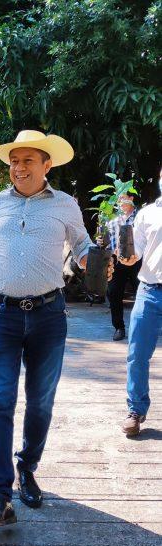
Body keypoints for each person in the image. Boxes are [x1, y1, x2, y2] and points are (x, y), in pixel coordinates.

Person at [0, 130, 113, 528]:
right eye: (14, 161)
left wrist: (93, 260)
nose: (18, 167)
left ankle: (27, 466)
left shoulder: (65, 205)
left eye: (28, 160)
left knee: (41, 401)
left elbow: (81, 247)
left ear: (47, 165)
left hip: (48, 316)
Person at [120, 169, 162, 436]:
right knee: (137, 354)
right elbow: (134, 253)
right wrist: (126, 256)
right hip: (149, 291)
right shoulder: (147, 214)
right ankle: (135, 410)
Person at [107, 193, 141, 340]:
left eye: (123, 197)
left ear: (132, 198)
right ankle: (119, 328)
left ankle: (143, 327)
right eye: (118, 198)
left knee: (143, 293)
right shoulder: (113, 221)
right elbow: (109, 242)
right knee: (113, 293)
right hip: (118, 262)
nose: (120, 201)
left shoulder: (141, 217)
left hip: (138, 261)